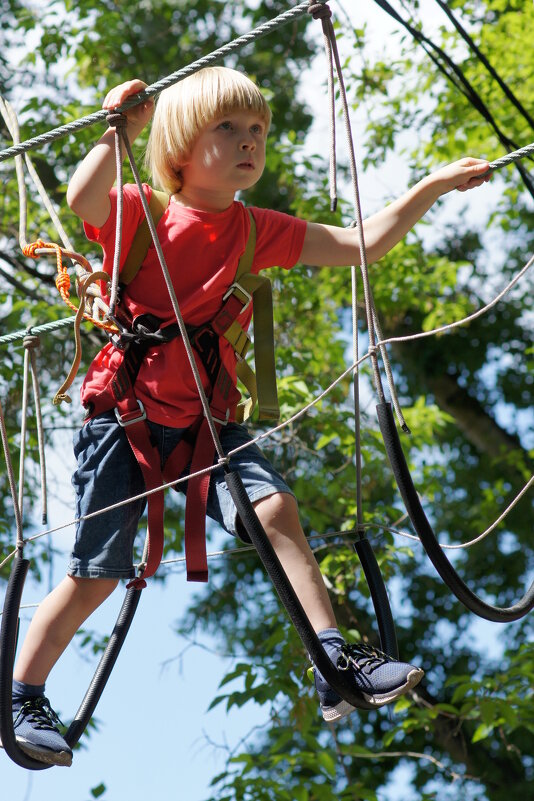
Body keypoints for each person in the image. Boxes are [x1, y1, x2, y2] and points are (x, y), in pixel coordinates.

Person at [9, 67, 491, 767]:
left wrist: (433, 186)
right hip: (128, 419)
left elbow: (362, 244)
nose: (249, 142)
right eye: (228, 129)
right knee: (97, 573)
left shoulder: (254, 230)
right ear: (179, 146)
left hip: (209, 427)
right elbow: (85, 195)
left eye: (258, 130)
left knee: (275, 512)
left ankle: (333, 658)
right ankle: (22, 694)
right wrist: (121, 129)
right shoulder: (143, 212)